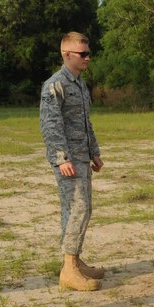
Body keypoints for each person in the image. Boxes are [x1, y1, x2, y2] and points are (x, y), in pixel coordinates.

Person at [40, 32, 106, 291]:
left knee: (78, 209)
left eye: (89, 53)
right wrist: (61, 158)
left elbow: (85, 123)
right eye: (83, 54)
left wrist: (94, 152)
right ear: (67, 55)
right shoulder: (55, 85)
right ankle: (69, 269)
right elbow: (50, 124)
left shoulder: (79, 84)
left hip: (81, 156)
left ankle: (75, 262)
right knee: (79, 208)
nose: (88, 58)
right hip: (68, 160)